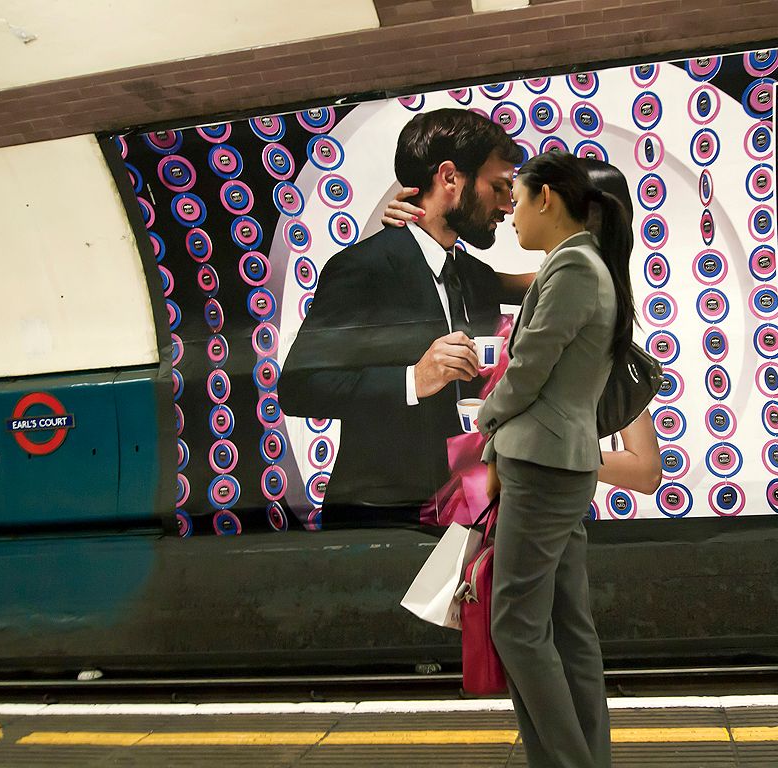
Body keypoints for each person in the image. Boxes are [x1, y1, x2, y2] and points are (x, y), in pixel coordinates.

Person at [280, 108, 524, 525]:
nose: (507, 204)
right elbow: (299, 387)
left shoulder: (476, 278)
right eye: (498, 187)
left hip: (467, 517)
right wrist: (413, 380)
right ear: (450, 177)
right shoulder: (362, 267)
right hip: (379, 523)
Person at [479, 151, 634, 768]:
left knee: (515, 626)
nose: (511, 215)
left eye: (516, 201)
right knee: (568, 632)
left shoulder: (571, 267)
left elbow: (529, 368)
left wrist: (487, 419)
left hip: (542, 466)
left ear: (547, 198)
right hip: (561, 465)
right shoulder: (584, 265)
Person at [383, 157, 662, 495]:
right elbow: (466, 276)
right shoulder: (556, 287)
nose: (514, 213)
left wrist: (537, 451)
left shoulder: (589, 308)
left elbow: (645, 470)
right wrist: (417, 228)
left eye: (531, 200)